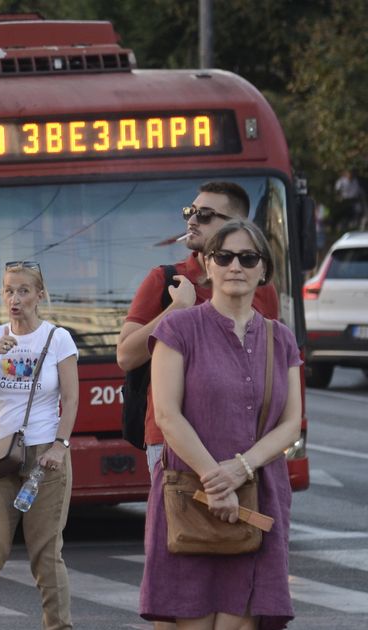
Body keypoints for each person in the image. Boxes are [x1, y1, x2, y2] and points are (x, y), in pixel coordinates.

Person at [141, 220, 301, 629]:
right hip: (190, 495)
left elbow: (290, 424)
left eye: (248, 258)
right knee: (188, 618)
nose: (236, 266)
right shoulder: (177, 328)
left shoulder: (280, 338)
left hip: (257, 496)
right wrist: (216, 479)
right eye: (225, 256)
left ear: (262, 269)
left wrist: (240, 469)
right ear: (207, 265)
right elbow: (166, 415)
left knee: (243, 621)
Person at [117, 181, 279, 474]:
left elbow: (271, 368)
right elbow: (126, 356)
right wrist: (176, 309)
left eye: (204, 215)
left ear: (236, 226)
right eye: (190, 212)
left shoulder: (262, 289)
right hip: (174, 441)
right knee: (181, 521)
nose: (192, 221)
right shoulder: (166, 280)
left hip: (245, 440)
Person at [0, 260, 79, 630]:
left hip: (45, 458)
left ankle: (59, 626)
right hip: (1, 457)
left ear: (40, 296)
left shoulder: (57, 338)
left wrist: (60, 445)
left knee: (45, 555)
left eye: (24, 291)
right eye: (9, 291)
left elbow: (71, 400)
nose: (15, 299)